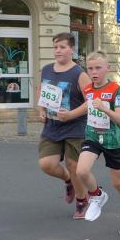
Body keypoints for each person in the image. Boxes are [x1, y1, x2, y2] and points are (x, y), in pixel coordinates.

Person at [73, 51, 120, 234]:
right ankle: (97, 195)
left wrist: (104, 108)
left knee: (118, 183)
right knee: (81, 170)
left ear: (107, 68)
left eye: (98, 68)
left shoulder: (116, 90)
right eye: (90, 68)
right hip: (93, 136)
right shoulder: (88, 90)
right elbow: (87, 107)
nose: (94, 72)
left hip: (112, 140)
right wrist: (69, 115)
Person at [37, 32, 91, 219]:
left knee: (73, 165)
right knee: (46, 164)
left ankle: (82, 200)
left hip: (75, 127)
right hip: (52, 126)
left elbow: (90, 101)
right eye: (55, 47)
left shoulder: (79, 74)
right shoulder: (46, 70)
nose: (58, 51)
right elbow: (41, 91)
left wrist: (71, 115)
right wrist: (41, 110)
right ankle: (68, 181)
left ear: (72, 49)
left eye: (62, 47)